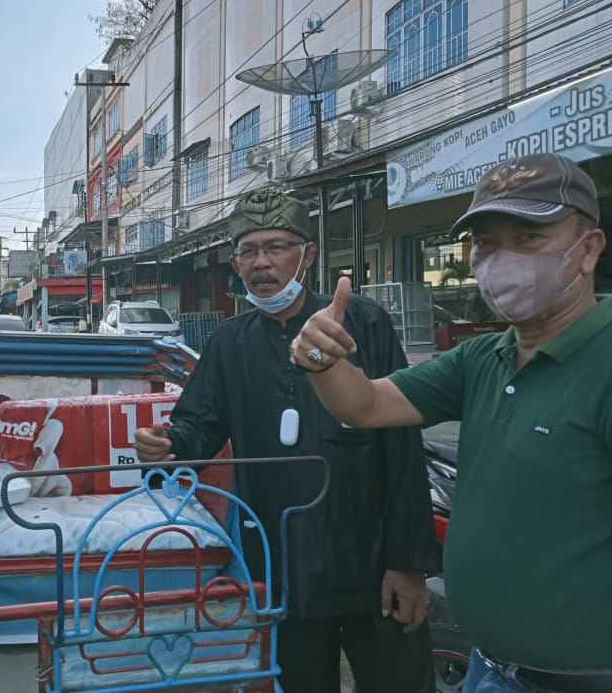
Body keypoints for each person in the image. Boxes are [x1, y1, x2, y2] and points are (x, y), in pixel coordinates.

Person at [292, 153, 612, 691]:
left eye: (528, 237)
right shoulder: (483, 357)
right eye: (487, 242)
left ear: (588, 250)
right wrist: (322, 358)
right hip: (491, 668)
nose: (502, 257)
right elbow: (366, 406)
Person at [134, 190, 437, 693]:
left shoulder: (362, 322)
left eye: (276, 246)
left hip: (371, 563)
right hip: (284, 568)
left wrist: (408, 564)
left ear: (308, 255)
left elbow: (403, 448)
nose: (261, 263)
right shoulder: (229, 342)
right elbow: (198, 428)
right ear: (236, 264)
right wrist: (167, 445)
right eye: (248, 251)